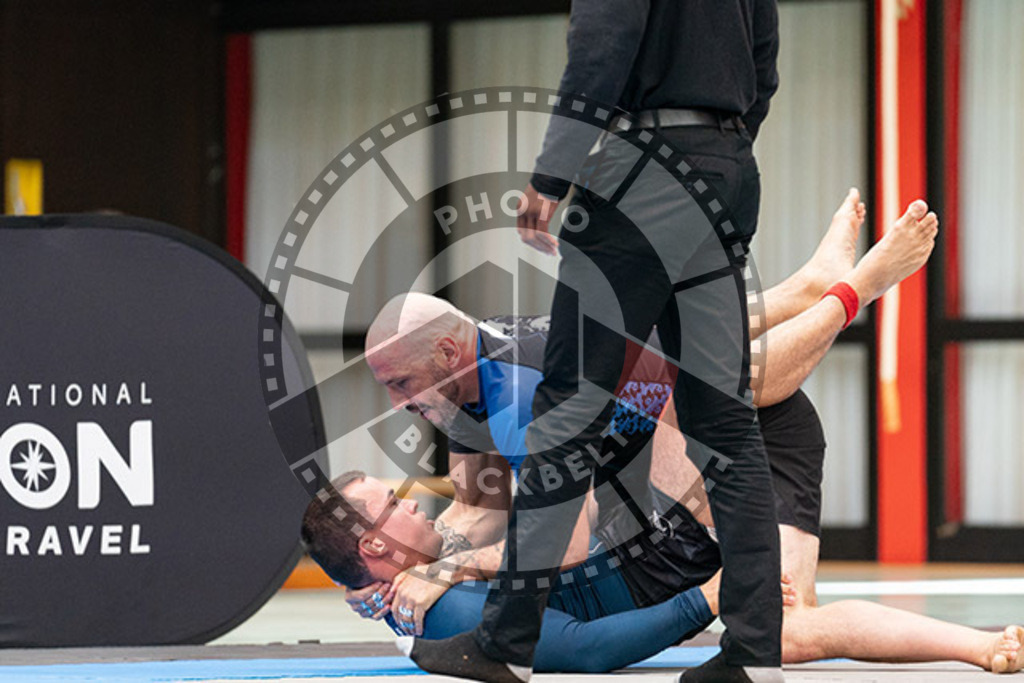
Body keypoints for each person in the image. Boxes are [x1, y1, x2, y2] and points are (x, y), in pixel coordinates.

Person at [362, 193, 942, 676]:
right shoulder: (462, 388)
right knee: (787, 631)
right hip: (693, 425)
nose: (397, 403)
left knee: (712, 381)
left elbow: (563, 541)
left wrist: (443, 569)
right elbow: (474, 509)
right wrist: (399, 569)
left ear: (444, 354)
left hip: (744, 422)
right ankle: (813, 283)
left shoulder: (525, 395)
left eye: (401, 383)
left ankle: (854, 287)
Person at [409, 2, 785, 680]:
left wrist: (552, 174)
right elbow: (764, 58)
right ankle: (756, 653)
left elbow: (602, 47)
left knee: (566, 409)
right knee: (725, 420)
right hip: (725, 168)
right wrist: (721, 145)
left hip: (643, 173)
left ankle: (505, 645)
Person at [303, 470, 1024, 675]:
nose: (411, 500)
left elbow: (472, 513)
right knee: (790, 635)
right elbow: (589, 648)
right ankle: (983, 645)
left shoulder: (423, 572)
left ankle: (843, 287)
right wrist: (704, 598)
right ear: (374, 547)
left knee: (791, 634)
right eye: (393, 505)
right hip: (678, 546)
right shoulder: (444, 613)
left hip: (679, 512)